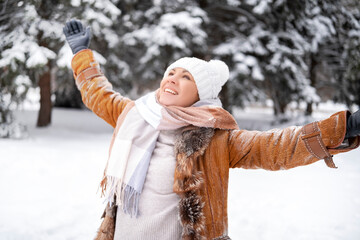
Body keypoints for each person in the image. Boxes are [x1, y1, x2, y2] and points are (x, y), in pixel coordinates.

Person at [63, 19, 360, 240]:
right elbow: (98, 93)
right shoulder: (135, 115)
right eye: (171, 72)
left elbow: (276, 147)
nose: (172, 79)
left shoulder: (215, 138)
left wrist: (341, 128)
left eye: (186, 77)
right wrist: (82, 54)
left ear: (200, 96)